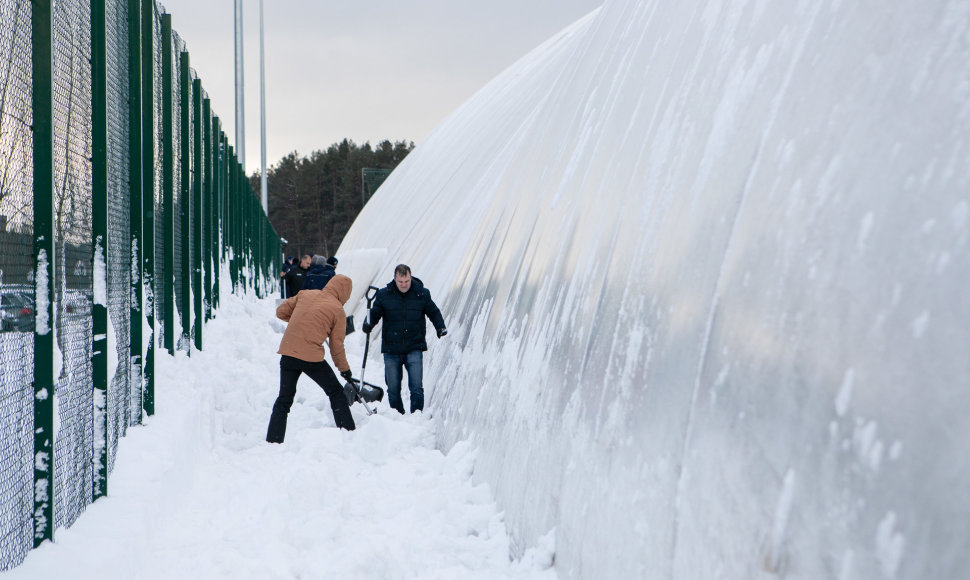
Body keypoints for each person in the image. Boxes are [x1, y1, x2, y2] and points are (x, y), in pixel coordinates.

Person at [266, 274, 356, 443]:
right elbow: (337, 347)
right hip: (310, 358)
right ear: (345, 293)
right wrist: (345, 370)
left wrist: (301, 320)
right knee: (335, 391)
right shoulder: (337, 310)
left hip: (288, 352)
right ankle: (348, 432)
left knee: (284, 399)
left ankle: (273, 440)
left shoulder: (306, 294)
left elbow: (281, 311)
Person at [362, 264, 447, 414]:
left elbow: (433, 311)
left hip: (414, 346)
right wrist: (367, 324)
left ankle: (416, 417)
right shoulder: (384, 295)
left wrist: (440, 327)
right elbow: (375, 313)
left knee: (416, 387)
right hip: (391, 349)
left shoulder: (421, 293)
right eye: (400, 281)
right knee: (393, 389)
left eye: (406, 281)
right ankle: (398, 416)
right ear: (395, 278)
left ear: (410, 277)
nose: (403, 285)